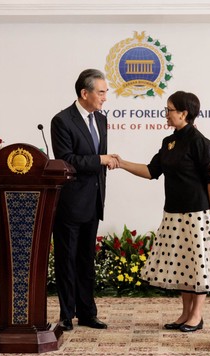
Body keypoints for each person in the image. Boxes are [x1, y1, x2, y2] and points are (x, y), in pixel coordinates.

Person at [115, 91, 210, 332]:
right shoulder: (169, 142)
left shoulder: (199, 141)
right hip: (173, 213)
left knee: (198, 264)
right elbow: (152, 171)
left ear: (184, 113)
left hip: (197, 212)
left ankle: (197, 314)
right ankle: (185, 313)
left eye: (169, 110)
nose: (166, 114)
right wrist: (121, 163)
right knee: (183, 264)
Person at [50, 69, 118, 331]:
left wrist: (105, 161)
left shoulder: (101, 119)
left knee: (86, 260)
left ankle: (87, 312)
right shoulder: (62, 121)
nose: (105, 98)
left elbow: (94, 160)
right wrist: (100, 160)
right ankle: (67, 314)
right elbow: (67, 160)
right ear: (84, 93)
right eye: (101, 92)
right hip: (70, 203)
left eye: (105, 93)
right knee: (67, 260)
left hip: (94, 200)